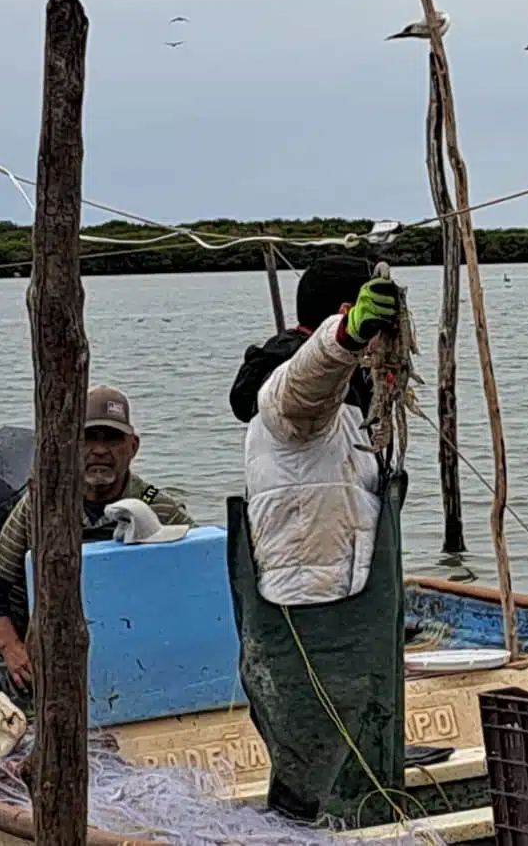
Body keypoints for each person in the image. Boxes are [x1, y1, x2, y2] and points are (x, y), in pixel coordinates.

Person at [224, 254, 406, 825]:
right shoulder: (290, 403)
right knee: (308, 742)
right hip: (307, 605)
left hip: (354, 601)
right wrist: (347, 336)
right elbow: (310, 379)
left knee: (359, 732)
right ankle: (299, 822)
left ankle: (362, 811)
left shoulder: (353, 406)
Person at [0, 385, 192, 687]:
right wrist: (12, 648)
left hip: (134, 656)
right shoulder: (39, 506)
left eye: (113, 438)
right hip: (53, 653)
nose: (100, 450)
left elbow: (199, 581)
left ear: (133, 446)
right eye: (89, 437)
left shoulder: (159, 508)